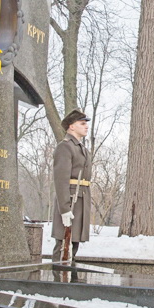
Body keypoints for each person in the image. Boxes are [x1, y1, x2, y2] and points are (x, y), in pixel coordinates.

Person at [51, 110, 92, 263]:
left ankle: (67, 278)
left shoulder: (81, 148)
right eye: (82, 123)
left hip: (81, 198)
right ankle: (57, 279)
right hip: (70, 199)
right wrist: (64, 209)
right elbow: (61, 180)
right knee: (63, 243)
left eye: (86, 123)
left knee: (73, 243)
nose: (86, 126)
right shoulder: (65, 147)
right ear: (71, 127)